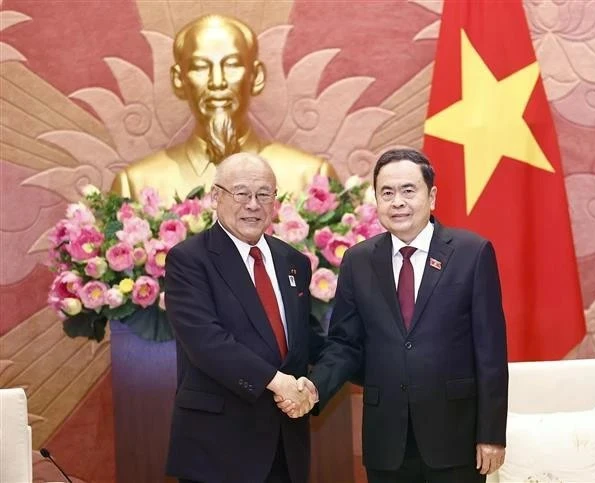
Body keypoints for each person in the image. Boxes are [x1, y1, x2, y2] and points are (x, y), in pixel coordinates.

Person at [281, 148, 508, 482]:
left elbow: (490, 352)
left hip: (455, 437)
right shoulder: (358, 261)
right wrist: (314, 388)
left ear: (432, 197)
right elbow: (345, 344)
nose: (397, 201)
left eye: (408, 190)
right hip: (386, 440)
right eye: (387, 193)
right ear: (376, 200)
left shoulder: (471, 253)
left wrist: (491, 434)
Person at [164, 152, 320, 483]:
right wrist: (280, 383)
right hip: (217, 450)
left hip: (285, 446)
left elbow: (308, 339)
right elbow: (207, 343)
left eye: (264, 194)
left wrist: (317, 384)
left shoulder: (294, 261)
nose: (253, 204)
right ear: (215, 197)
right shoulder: (189, 260)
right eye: (241, 193)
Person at [111, 14, 334, 203]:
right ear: (179, 80)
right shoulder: (135, 185)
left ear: (256, 77)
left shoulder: (311, 178)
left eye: (232, 65)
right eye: (199, 67)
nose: (217, 82)